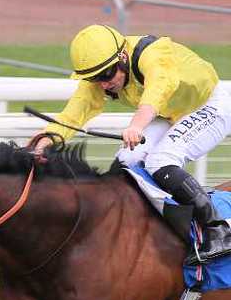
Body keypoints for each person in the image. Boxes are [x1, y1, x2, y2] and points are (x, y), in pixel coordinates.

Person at [31, 24, 231, 263]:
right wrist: (46, 139)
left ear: (123, 57)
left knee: (161, 161)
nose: (103, 85)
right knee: (127, 160)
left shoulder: (152, 54)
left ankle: (218, 229)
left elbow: (159, 88)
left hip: (209, 104)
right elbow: (74, 113)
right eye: (95, 79)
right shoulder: (104, 70)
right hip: (172, 112)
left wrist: (137, 125)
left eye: (106, 75)